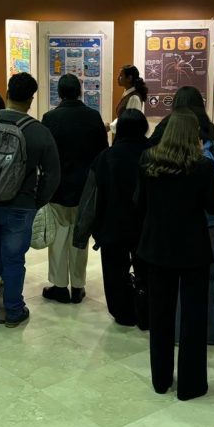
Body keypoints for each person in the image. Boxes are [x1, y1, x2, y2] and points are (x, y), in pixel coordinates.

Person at [0, 72, 60, 327]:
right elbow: (53, 174)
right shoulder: (39, 131)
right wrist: (36, 201)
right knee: (14, 260)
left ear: (6, 93)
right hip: (20, 206)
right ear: (31, 99)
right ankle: (13, 310)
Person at [137, 109, 214, 400]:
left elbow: (140, 201)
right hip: (192, 248)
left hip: (157, 246)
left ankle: (160, 379)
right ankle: (191, 384)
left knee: (160, 315)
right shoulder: (202, 166)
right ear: (194, 135)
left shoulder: (149, 160)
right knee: (193, 316)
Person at [74, 108, 149, 327]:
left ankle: (122, 312)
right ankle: (145, 311)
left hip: (112, 225)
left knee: (114, 272)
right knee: (146, 271)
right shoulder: (154, 154)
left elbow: (90, 197)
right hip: (145, 226)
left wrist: (81, 233)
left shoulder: (106, 157)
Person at [41, 73, 108, 304]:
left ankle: (60, 286)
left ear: (59, 93)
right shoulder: (93, 116)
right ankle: (78, 286)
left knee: (59, 236)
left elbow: (45, 155)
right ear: (79, 92)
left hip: (58, 187)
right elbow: (102, 152)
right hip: (85, 189)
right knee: (80, 236)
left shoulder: (50, 118)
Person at [108, 64, 147, 133]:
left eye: (121, 76)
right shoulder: (127, 93)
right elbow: (123, 117)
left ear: (129, 78)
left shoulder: (134, 98)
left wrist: (110, 126)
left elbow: (130, 122)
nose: (118, 78)